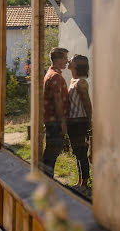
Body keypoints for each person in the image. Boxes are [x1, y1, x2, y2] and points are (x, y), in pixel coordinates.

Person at [42, 47, 69, 178]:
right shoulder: (56, 76)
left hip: (51, 119)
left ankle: (46, 179)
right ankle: (46, 180)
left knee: (51, 151)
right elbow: (57, 101)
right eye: (65, 58)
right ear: (58, 60)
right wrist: (63, 122)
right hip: (55, 121)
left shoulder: (50, 73)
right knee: (52, 152)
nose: (67, 61)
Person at [67, 55, 92, 190]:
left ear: (77, 64)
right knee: (77, 152)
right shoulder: (73, 80)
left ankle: (85, 183)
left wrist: (90, 122)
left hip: (79, 122)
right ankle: (80, 180)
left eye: (71, 60)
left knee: (81, 152)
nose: (69, 61)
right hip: (72, 121)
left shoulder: (81, 82)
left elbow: (87, 104)